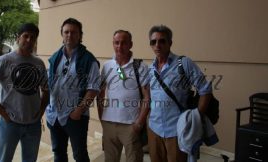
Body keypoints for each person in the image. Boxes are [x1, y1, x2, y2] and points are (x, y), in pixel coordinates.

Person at [0, 23, 49, 162]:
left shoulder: (39, 63)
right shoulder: (4, 61)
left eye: (33, 37)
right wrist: (3, 113)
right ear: (18, 38)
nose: (29, 40)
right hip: (10, 123)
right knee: (4, 159)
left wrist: (41, 110)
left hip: (33, 124)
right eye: (26, 36)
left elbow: (46, 90)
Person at [147, 25, 213, 162]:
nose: (157, 45)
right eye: (153, 42)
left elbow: (205, 89)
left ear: (170, 43)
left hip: (176, 130)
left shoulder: (183, 63)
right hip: (154, 129)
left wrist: (196, 117)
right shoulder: (150, 69)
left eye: (162, 41)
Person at [45, 18, 100, 162]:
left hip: (75, 116)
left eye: (74, 32)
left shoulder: (89, 59)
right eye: (66, 32)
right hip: (54, 116)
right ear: (62, 35)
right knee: (58, 152)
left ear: (80, 35)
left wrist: (79, 111)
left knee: (80, 155)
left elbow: (93, 89)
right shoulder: (54, 58)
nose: (69, 35)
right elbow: (49, 85)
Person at [97, 30, 150, 162]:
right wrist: (102, 119)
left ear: (130, 44)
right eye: (116, 43)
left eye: (124, 43)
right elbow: (100, 95)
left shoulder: (140, 67)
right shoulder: (107, 66)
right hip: (109, 124)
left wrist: (139, 123)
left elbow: (147, 97)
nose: (119, 46)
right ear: (113, 44)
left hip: (131, 125)